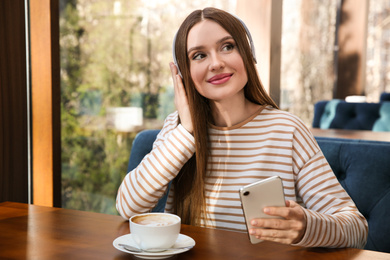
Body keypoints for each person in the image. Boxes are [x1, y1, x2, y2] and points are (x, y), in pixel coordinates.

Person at [116, 7, 368, 248]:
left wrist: (306, 227)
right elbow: (128, 207)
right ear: (183, 73)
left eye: (227, 47)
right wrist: (186, 133)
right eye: (199, 55)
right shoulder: (177, 128)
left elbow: (356, 228)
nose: (216, 63)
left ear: (248, 55)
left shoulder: (287, 130)